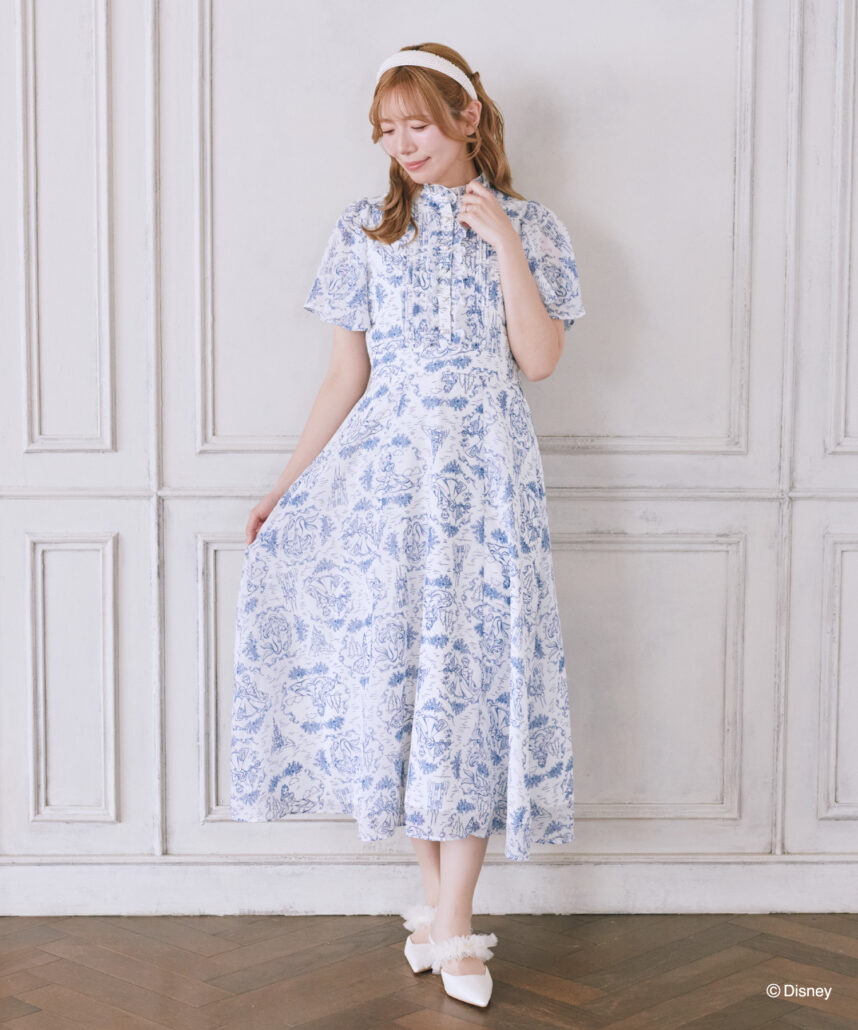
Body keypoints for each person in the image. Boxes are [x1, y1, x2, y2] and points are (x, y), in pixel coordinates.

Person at [230, 42, 586, 1008]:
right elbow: (345, 377)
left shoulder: (531, 227)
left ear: (468, 118)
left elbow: (540, 359)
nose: (402, 145)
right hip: (387, 487)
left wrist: (502, 242)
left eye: (418, 124)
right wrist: (286, 487)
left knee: (470, 689)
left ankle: (453, 923)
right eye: (386, 131)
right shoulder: (364, 230)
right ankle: (441, 915)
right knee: (414, 690)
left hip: (487, 489)